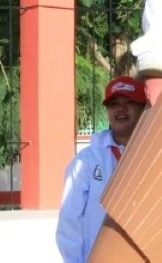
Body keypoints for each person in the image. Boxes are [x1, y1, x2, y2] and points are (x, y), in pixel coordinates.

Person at [56, 77, 148, 263]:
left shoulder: (154, 154)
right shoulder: (86, 161)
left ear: (143, 108)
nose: (120, 109)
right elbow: (70, 221)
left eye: (129, 102)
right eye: (114, 104)